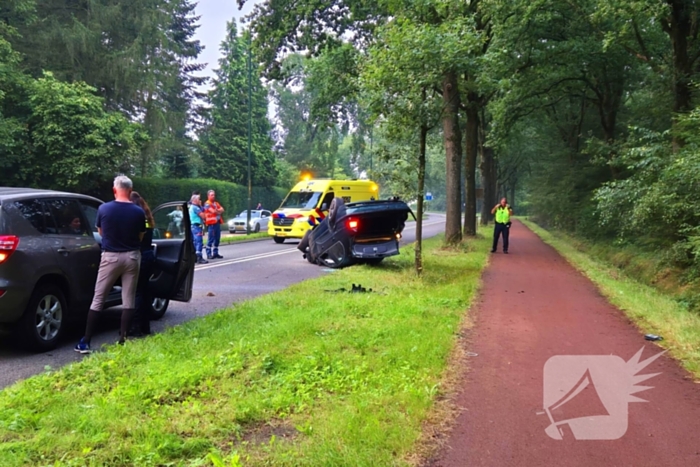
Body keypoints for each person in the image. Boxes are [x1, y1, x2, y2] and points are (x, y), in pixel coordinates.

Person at [75, 175, 146, 353]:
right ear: (130, 191)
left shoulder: (104, 208)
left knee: (98, 298)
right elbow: (141, 236)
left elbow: (101, 231)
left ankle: (86, 341)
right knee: (128, 299)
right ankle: (123, 339)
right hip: (132, 257)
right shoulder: (139, 212)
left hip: (110, 257)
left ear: (114, 190)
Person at [129, 191, 156, 337]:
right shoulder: (147, 217)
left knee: (137, 293)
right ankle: (146, 327)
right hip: (149, 256)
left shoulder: (135, 218)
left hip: (139, 255)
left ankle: (136, 327)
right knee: (145, 292)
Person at [203, 190, 225, 259]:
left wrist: (217, 211)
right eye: (212, 195)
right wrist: (218, 211)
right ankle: (209, 254)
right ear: (208, 196)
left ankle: (215, 253)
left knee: (217, 239)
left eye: (214, 195)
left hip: (217, 223)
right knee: (210, 239)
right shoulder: (207, 204)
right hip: (211, 224)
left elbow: (222, 209)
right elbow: (213, 211)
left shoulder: (216, 203)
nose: (213, 196)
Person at [189, 194, 208, 264]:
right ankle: (199, 257)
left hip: (193, 226)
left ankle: (194, 257)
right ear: (194, 200)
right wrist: (201, 207)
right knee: (199, 242)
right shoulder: (195, 208)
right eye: (198, 199)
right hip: (197, 226)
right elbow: (203, 216)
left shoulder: (191, 207)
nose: (200, 201)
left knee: (195, 242)